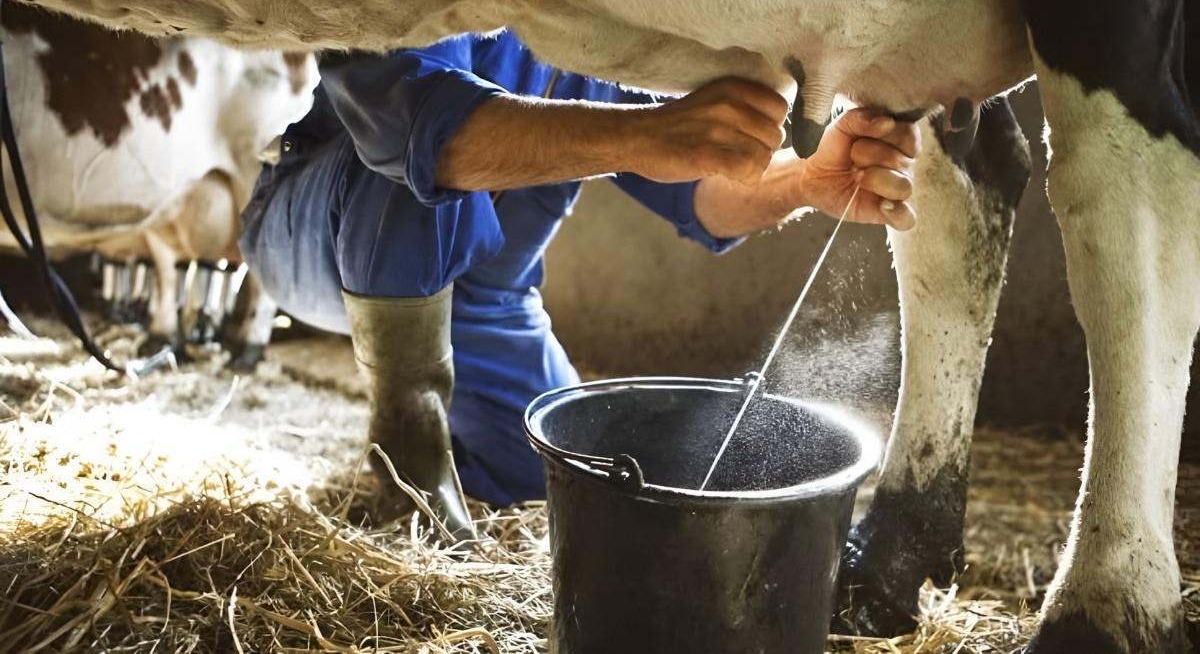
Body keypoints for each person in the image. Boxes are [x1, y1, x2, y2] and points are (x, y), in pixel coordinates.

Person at [239, 30, 920, 541]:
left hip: (486, 305)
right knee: (416, 165)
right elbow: (418, 131)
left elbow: (701, 195)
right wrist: (649, 135)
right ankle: (406, 460)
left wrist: (805, 179)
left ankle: (465, 444)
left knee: (567, 478)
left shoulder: (594, 25)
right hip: (313, 228)